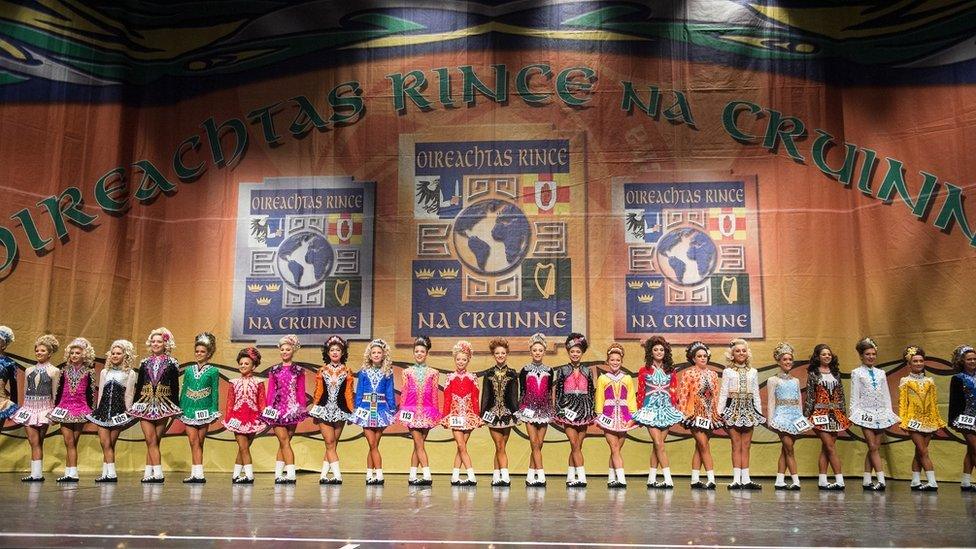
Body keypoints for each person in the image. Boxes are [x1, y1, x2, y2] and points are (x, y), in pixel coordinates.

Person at [129, 327, 182, 483]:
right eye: (153, 341)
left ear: (166, 344)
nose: (155, 344)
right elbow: (139, 386)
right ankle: (156, 473)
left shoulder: (172, 363)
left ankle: (150, 473)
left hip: (164, 404)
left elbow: (175, 386)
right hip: (145, 403)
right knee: (150, 439)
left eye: (159, 341)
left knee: (155, 440)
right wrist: (134, 405)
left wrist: (176, 407)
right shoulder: (144, 362)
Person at [848, 337, 899, 491]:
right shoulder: (856, 373)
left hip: (881, 412)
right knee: (872, 445)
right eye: (868, 354)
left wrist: (889, 412)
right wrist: (854, 413)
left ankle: (866, 479)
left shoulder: (881, 373)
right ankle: (881, 479)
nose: (871, 357)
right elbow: (854, 394)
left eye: (873, 354)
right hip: (865, 412)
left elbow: (886, 394)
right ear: (861, 356)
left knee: (874, 447)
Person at [633, 336, 683, 489]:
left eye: (661, 349)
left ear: (665, 351)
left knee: (658, 446)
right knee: (659, 443)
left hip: (666, 411)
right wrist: (638, 412)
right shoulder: (644, 371)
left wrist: (676, 407)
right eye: (655, 349)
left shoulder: (670, 371)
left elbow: (673, 392)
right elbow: (641, 392)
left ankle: (651, 478)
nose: (659, 352)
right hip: (650, 411)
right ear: (651, 352)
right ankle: (668, 479)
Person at [87, 340, 138, 483]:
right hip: (103, 411)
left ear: (125, 355)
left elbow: (129, 394)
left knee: (110, 443)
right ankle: (108, 473)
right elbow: (102, 391)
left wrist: (128, 412)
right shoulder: (104, 371)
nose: (115, 356)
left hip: (118, 412)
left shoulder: (130, 373)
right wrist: (98, 409)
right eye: (113, 353)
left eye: (118, 353)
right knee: (105, 443)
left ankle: (110, 473)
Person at [718, 338, 765, 490]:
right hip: (733, 410)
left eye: (743, 350)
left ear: (748, 353)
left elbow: (756, 394)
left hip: (749, 410)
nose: (741, 353)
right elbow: (724, 393)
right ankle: (736, 479)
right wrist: (720, 412)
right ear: (732, 354)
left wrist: (759, 412)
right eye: (737, 351)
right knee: (736, 444)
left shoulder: (753, 372)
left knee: (746, 445)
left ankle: (746, 479)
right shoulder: (728, 371)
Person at [898, 345, 945, 491]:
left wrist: (937, 420)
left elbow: (933, 403)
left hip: (929, 420)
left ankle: (915, 481)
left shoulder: (929, 381)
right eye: (915, 361)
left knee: (919, 451)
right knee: (923, 451)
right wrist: (903, 420)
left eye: (920, 361)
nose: (918, 363)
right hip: (913, 421)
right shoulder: (905, 381)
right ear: (909, 364)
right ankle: (932, 481)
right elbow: (902, 403)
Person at [804, 343, 851, 490]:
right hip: (819, 414)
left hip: (835, 415)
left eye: (829, 354)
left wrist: (843, 413)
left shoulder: (835, 373)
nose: (827, 356)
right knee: (830, 447)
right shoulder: (813, 374)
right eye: (824, 354)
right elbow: (810, 396)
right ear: (818, 357)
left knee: (826, 448)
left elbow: (841, 394)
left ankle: (822, 480)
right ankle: (840, 480)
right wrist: (806, 416)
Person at [14, 334, 60, 482]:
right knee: (34, 442)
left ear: (50, 353)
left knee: (38, 442)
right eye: (37, 350)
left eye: (43, 351)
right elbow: (26, 391)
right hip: (29, 408)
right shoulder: (29, 370)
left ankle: (37, 474)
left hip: (44, 409)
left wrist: (53, 412)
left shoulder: (54, 371)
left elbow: (55, 393)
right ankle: (36, 473)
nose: (39, 353)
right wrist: (23, 409)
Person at [263, 334, 309, 484]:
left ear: (293, 350)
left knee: (285, 442)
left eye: (287, 349)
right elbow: (270, 391)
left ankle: (278, 474)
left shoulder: (298, 370)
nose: (284, 352)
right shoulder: (274, 370)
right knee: (284, 440)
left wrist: (301, 409)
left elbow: (301, 391)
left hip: (292, 410)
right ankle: (290, 473)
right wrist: (269, 409)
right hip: (277, 410)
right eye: (282, 349)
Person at [309, 335, 354, 485]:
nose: (335, 352)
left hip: (340, 410)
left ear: (343, 353)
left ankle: (323, 475)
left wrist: (351, 412)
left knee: (333, 444)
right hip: (324, 410)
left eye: (338, 350)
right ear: (327, 353)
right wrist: (315, 409)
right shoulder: (322, 370)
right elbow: (318, 391)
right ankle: (337, 475)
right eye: (332, 350)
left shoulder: (347, 371)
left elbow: (348, 392)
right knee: (329, 442)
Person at [50, 337, 96, 482]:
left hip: (81, 409)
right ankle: (70, 472)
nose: (74, 355)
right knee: (69, 441)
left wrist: (92, 411)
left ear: (85, 355)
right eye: (72, 353)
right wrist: (54, 409)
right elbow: (58, 391)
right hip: (64, 408)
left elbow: (91, 393)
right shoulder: (63, 371)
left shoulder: (89, 372)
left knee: (73, 442)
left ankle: (71, 472)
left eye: (78, 353)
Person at [351, 338, 397, 485]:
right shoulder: (364, 372)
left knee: (375, 444)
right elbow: (359, 392)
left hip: (381, 410)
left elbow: (390, 392)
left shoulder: (388, 372)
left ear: (383, 355)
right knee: (372, 444)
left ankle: (369, 474)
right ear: (369, 355)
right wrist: (357, 408)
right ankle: (379, 474)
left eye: (379, 352)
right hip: (365, 408)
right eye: (373, 352)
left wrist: (392, 409)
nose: (376, 355)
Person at [554, 333, 596, 487]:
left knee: (578, 445)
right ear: (568, 352)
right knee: (573, 443)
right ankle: (582, 477)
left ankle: (571, 476)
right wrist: (559, 409)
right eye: (572, 351)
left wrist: (592, 409)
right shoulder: (563, 370)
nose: (575, 354)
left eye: (578, 351)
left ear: (582, 353)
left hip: (584, 409)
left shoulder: (587, 370)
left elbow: (591, 391)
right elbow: (558, 392)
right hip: (568, 408)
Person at [398, 335, 441, 486]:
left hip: (428, 412)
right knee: (419, 443)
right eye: (416, 351)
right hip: (411, 411)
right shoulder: (407, 372)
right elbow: (404, 392)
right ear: (413, 353)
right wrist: (402, 413)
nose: (419, 354)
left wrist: (436, 413)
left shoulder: (434, 373)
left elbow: (435, 394)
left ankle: (412, 475)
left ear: (427, 353)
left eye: (422, 351)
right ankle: (427, 474)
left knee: (418, 444)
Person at [179, 332, 222, 483]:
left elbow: (215, 391)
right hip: (189, 410)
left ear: (209, 353)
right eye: (197, 351)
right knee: (193, 441)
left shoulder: (213, 371)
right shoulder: (189, 370)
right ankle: (196, 473)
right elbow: (184, 390)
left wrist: (214, 411)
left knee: (199, 441)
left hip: (204, 411)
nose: (199, 354)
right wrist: (180, 408)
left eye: (202, 351)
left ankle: (198, 473)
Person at [678, 341, 721, 490]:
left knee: (699, 447)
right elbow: (683, 394)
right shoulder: (688, 373)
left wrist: (716, 414)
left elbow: (715, 395)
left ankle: (695, 479)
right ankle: (711, 479)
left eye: (705, 356)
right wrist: (684, 413)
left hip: (710, 415)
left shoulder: (713, 374)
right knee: (704, 445)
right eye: (699, 356)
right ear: (693, 358)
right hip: (694, 414)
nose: (703, 358)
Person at [516, 333, 556, 487]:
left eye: (540, 350)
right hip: (528, 409)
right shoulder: (525, 370)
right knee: (533, 442)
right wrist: (522, 409)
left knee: (539, 443)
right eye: (535, 350)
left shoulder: (549, 370)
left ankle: (530, 475)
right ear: (530, 352)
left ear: (544, 352)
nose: (537, 352)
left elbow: (548, 392)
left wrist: (550, 408)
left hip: (544, 410)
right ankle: (541, 475)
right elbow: (523, 392)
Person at [595, 343, 637, 488]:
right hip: (608, 416)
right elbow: (599, 397)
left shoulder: (627, 378)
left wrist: (633, 417)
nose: (615, 362)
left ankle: (611, 477)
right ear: (608, 361)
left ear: (621, 361)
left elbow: (631, 398)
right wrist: (599, 415)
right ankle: (621, 478)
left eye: (617, 360)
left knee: (617, 449)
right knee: (614, 447)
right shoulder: (603, 378)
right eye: (612, 360)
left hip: (624, 417)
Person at [441, 340, 482, 486]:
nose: (461, 362)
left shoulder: (473, 377)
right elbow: (447, 398)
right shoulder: (450, 377)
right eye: (458, 359)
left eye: (464, 359)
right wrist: (445, 416)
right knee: (460, 445)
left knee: (461, 446)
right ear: (454, 359)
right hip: (455, 416)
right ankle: (471, 476)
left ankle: (455, 476)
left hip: (469, 416)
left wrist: (477, 416)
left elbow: (476, 398)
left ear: (468, 360)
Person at [765, 342, 805, 490]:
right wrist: (771, 420)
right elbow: (770, 402)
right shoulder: (773, 380)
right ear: (779, 361)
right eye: (785, 360)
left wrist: (801, 419)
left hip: (794, 417)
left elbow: (799, 401)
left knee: (785, 449)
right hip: (781, 417)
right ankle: (796, 480)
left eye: (790, 359)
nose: (788, 362)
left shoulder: (795, 381)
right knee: (789, 448)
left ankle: (780, 480)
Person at [223, 347, 266, 484]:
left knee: (244, 448)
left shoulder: (259, 382)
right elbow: (230, 402)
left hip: (253, 419)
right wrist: (229, 419)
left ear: (253, 366)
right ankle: (249, 475)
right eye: (241, 363)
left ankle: (236, 475)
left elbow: (262, 402)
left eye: (246, 364)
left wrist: (263, 418)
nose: (243, 366)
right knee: (243, 447)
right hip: (237, 419)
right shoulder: (233, 382)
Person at [481, 338, 519, 487]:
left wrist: (516, 413)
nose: (500, 355)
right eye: (497, 353)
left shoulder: (512, 373)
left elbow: (514, 395)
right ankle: (505, 476)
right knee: (499, 445)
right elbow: (485, 395)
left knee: (502, 445)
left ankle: (496, 476)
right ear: (493, 355)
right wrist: (482, 414)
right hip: (492, 414)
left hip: (507, 414)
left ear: (507, 354)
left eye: (503, 353)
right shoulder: (488, 373)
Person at [948, 344, 976, 491]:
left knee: (971, 450)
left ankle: (965, 481)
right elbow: (954, 401)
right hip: (965, 418)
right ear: (962, 361)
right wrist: (953, 420)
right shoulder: (958, 378)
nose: (972, 361)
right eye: (969, 359)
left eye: (974, 359)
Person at [0, 326, 19, 422]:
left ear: (4, 345)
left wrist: (12, 410)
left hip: (1, 402)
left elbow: (13, 386)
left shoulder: (10, 363)